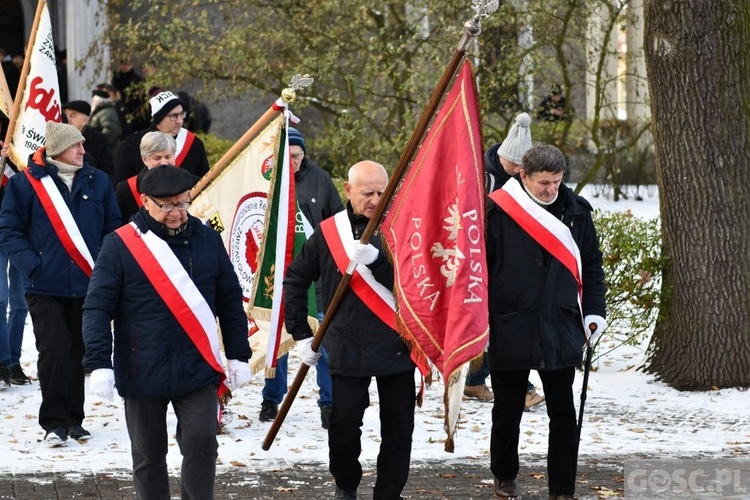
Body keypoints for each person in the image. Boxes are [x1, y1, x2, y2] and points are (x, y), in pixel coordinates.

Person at [82, 165, 253, 500]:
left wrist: (238, 354)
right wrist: (99, 363)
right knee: (148, 457)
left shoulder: (207, 239)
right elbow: (97, 307)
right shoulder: (120, 246)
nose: (177, 212)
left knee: (203, 443)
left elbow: (230, 300)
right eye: (167, 205)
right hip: (141, 367)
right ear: (146, 201)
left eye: (182, 203)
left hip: (196, 367)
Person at [284, 160, 416, 499]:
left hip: (397, 344)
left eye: (381, 192)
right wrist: (300, 333)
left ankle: (389, 492)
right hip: (347, 345)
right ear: (347, 190)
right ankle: (346, 484)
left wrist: (378, 262)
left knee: (399, 430)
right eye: (367, 192)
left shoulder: (403, 229)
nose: (375, 199)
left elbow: (416, 288)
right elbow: (296, 280)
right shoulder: (330, 233)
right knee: (343, 426)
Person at [485, 145, 606, 500]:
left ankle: (562, 490)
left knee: (564, 416)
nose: (551, 189)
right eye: (543, 183)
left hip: (561, 325)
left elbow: (592, 268)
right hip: (509, 325)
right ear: (523, 175)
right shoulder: (495, 210)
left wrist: (594, 311)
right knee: (507, 413)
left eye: (556, 181)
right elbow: (479, 273)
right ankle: (504, 476)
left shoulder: (576, 212)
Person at [0, 121, 120, 447]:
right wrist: (33, 266)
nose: (83, 150)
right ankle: (53, 422)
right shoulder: (26, 185)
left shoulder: (100, 181)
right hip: (44, 287)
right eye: (76, 145)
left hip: (88, 282)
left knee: (77, 354)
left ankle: (74, 420)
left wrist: (105, 266)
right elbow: (10, 230)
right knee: (53, 351)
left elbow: (113, 227)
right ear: (56, 150)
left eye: (83, 144)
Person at [259, 127, 343, 429]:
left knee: (322, 345)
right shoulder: (268, 181)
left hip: (316, 279)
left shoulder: (320, 179)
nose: (292, 162)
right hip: (277, 278)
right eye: (287, 157)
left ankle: (329, 403)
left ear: (303, 155)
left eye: (297, 156)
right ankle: (271, 398)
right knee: (278, 343)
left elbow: (337, 219)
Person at [465, 112, 545, 411]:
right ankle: (509, 385)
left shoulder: (524, 177)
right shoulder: (480, 174)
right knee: (488, 319)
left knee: (501, 321)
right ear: (502, 157)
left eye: (522, 167)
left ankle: (479, 379)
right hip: (480, 256)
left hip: (511, 259)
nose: (517, 170)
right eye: (513, 164)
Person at [114, 91, 209, 185]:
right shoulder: (131, 145)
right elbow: (121, 189)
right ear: (159, 118)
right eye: (174, 116)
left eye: (181, 114)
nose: (180, 121)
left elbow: (205, 184)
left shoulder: (194, 144)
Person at [0, 120, 30, 388]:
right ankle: (2, 360)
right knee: (0, 298)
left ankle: (14, 362)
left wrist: (13, 156)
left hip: (21, 232)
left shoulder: (19, 127)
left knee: (20, 303)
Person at [114, 131, 177, 225]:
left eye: (168, 157)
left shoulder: (192, 183)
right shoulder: (126, 190)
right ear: (144, 159)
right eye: (157, 158)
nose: (164, 163)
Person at [62, 100, 115, 179]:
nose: (68, 119)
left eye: (72, 115)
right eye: (66, 115)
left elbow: (107, 170)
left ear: (85, 120)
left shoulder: (99, 139)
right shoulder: (61, 138)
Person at [89, 89, 122, 159]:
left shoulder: (107, 112)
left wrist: (98, 144)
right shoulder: (101, 111)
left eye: (94, 101)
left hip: (110, 150)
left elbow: (110, 130)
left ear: (98, 101)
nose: (92, 103)